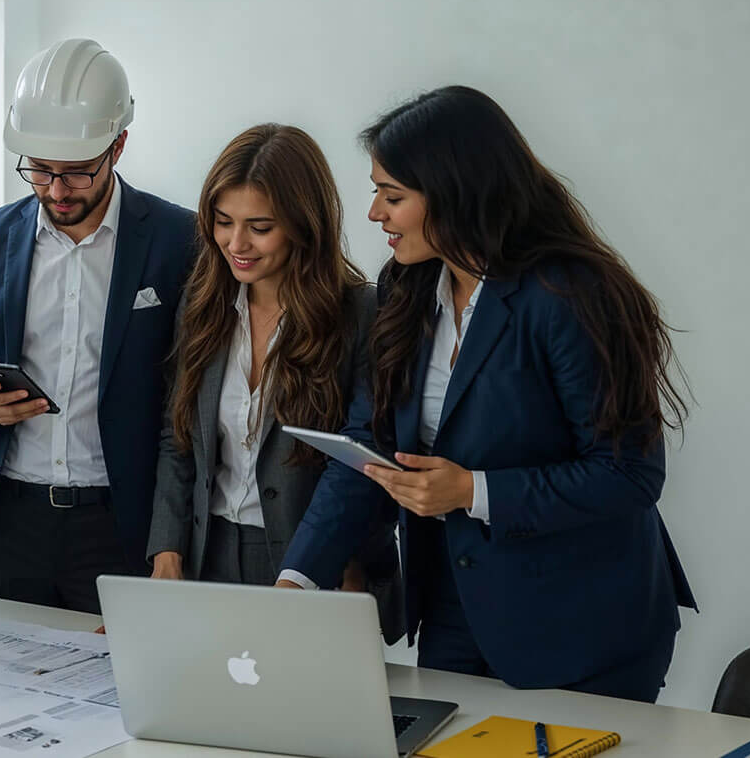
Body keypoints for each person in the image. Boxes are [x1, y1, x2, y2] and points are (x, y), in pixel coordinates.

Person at [277, 85, 696, 703]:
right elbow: (370, 446)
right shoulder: (405, 286)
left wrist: (474, 490)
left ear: (454, 191)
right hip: (454, 606)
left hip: (584, 625)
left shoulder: (572, 296)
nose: (374, 214)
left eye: (392, 196)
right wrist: (297, 579)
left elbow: (629, 474)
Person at [0, 38, 195, 613]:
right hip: (9, 523)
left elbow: (187, 401)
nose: (56, 191)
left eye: (78, 173)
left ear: (119, 146)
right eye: (39, 171)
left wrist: (170, 542)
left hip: (121, 526)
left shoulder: (176, 239)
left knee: (119, 697)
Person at [145, 124, 395, 621]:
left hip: (314, 565)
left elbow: (361, 457)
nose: (236, 243)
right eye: (222, 221)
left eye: (260, 227)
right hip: (205, 552)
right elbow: (178, 439)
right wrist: (167, 553)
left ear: (305, 223)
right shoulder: (201, 304)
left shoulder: (360, 312)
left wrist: (330, 564)